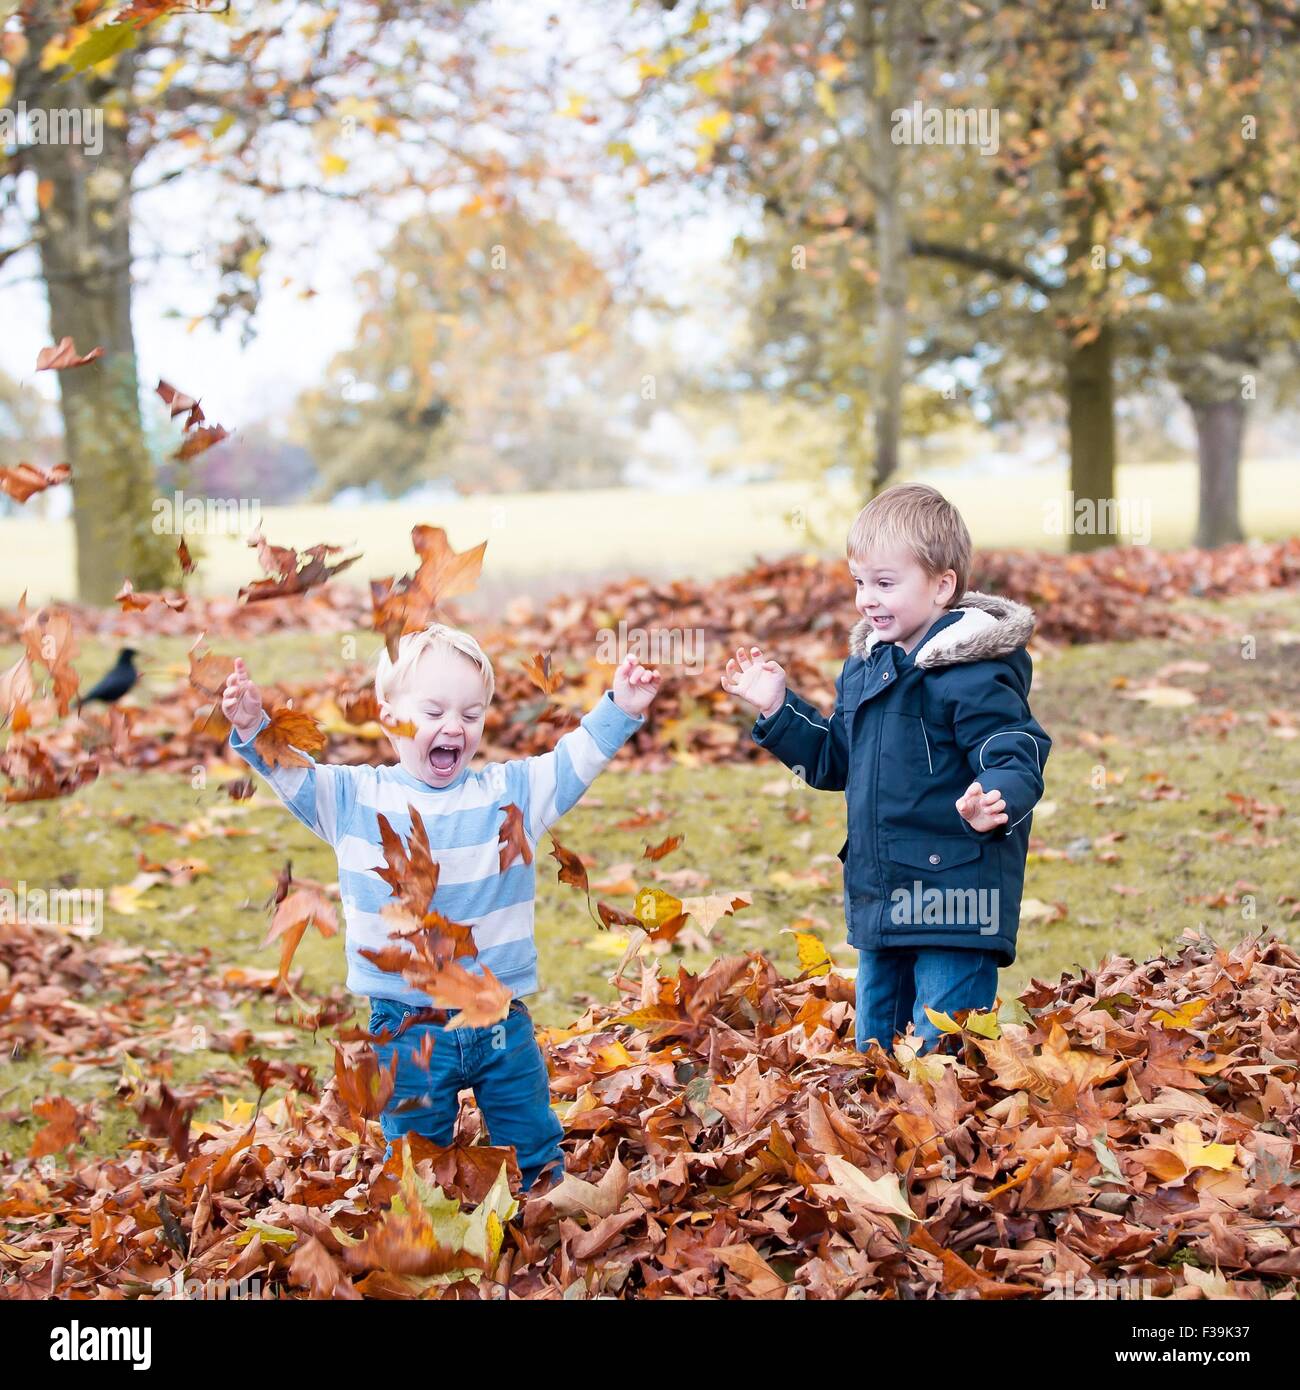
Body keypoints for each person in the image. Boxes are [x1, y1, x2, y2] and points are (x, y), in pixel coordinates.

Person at [222, 623, 661, 1187]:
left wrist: (621, 707)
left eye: (470, 714)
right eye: (432, 713)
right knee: (414, 1162)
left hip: (501, 1015)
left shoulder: (510, 796)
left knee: (532, 1140)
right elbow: (289, 774)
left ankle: (545, 1221)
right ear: (389, 718)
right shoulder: (354, 799)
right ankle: (422, 1237)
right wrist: (252, 726)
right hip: (408, 1027)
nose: (454, 726)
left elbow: (571, 762)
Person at [722, 483, 1051, 1054]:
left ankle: (949, 1139)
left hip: (958, 896)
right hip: (882, 892)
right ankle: (880, 1138)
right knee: (875, 1047)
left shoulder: (973, 672)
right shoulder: (866, 670)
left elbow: (1013, 745)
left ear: (942, 585)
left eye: (885, 583)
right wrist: (779, 708)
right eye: (859, 582)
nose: (867, 599)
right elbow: (832, 761)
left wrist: (995, 795)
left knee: (942, 1048)